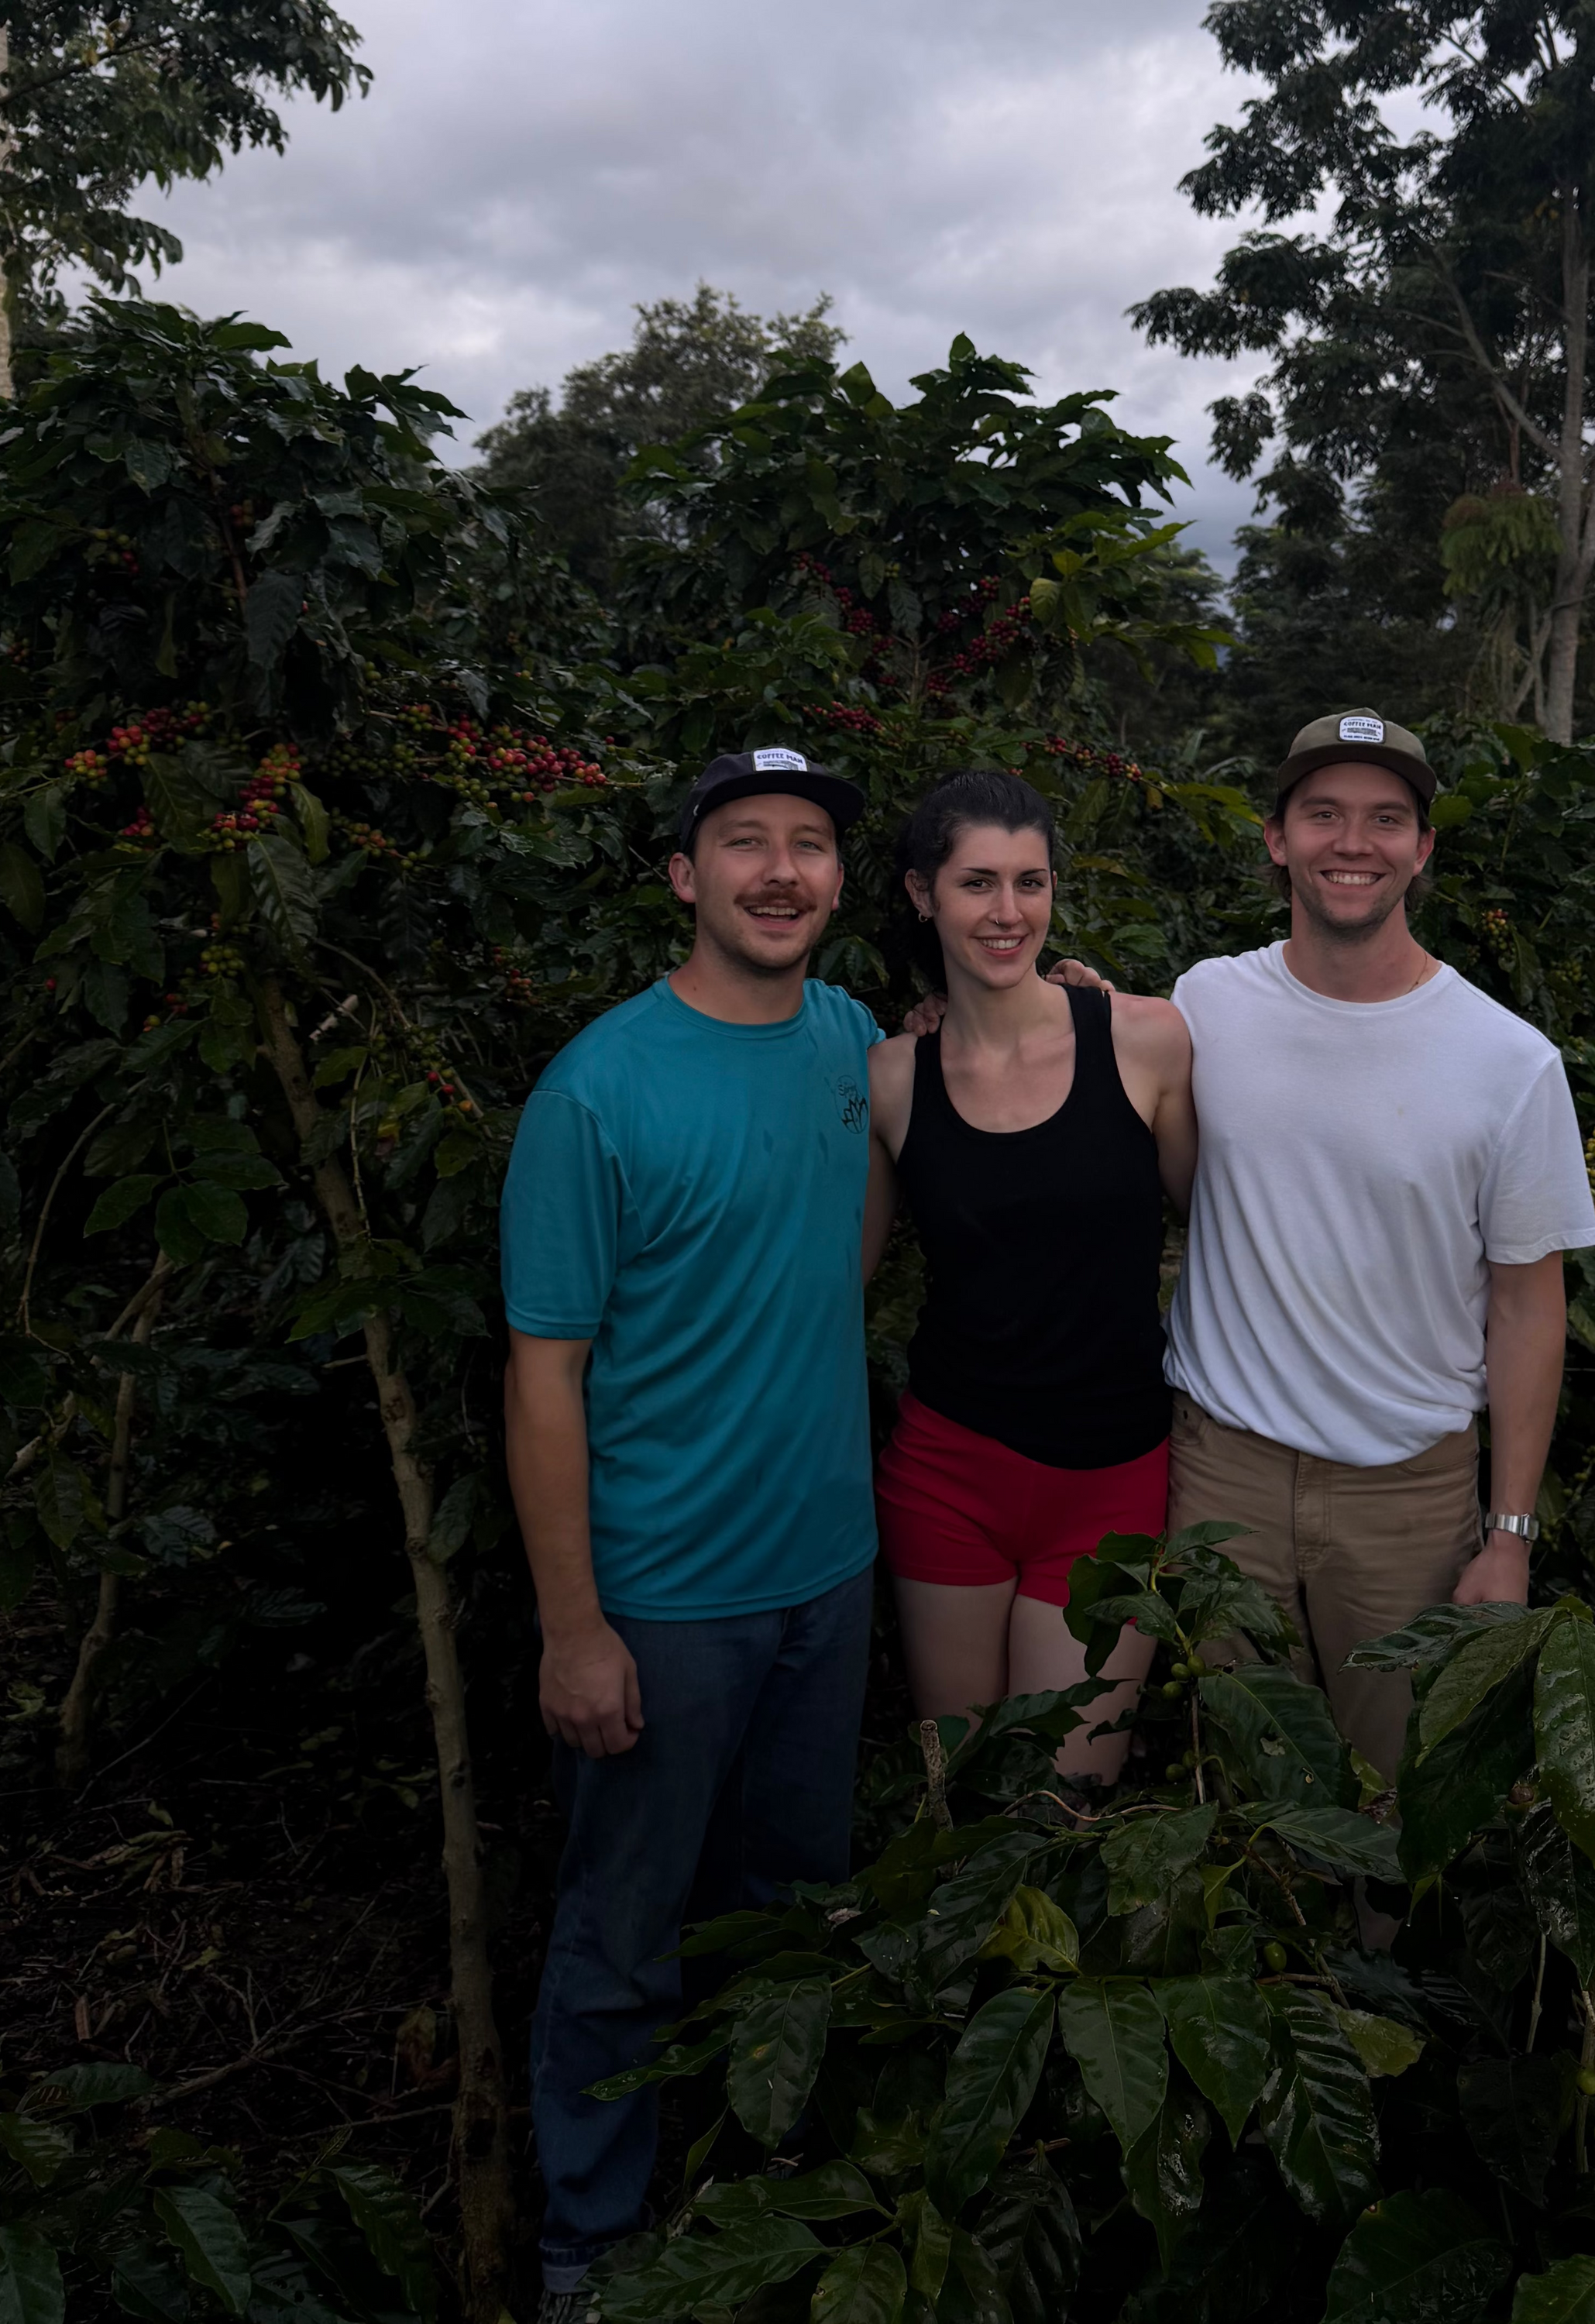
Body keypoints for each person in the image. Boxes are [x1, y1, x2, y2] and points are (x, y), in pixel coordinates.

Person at [499, 745, 880, 2316]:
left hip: (829, 1575)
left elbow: (864, 1226)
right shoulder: (599, 1089)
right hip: (663, 1601)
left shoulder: (854, 1039)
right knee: (623, 1939)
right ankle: (587, 2248)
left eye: (808, 845)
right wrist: (575, 1625)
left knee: (791, 1915)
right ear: (684, 875)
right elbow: (541, 1379)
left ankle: (754, 2205)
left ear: (844, 882)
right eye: (744, 844)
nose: (780, 871)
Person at [1164, 708, 1595, 1792]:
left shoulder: (1509, 1060)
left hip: (1408, 1496)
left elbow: (1529, 1308)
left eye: (1385, 819)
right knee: (1245, 1796)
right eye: (1323, 814)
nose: (1351, 843)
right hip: (1223, 1469)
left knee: (1403, 1799)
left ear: (1422, 848)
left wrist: (1510, 1536)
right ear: (1276, 838)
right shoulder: (1205, 1003)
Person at [865, 770, 1195, 1783]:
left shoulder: (1145, 1039)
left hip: (1112, 1475)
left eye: (1031, 882)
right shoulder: (890, 1078)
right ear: (923, 894)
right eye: (977, 884)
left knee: (1062, 1803)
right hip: (947, 1474)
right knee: (961, 1790)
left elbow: (1225, 1223)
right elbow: (839, 1276)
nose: (1009, 914)